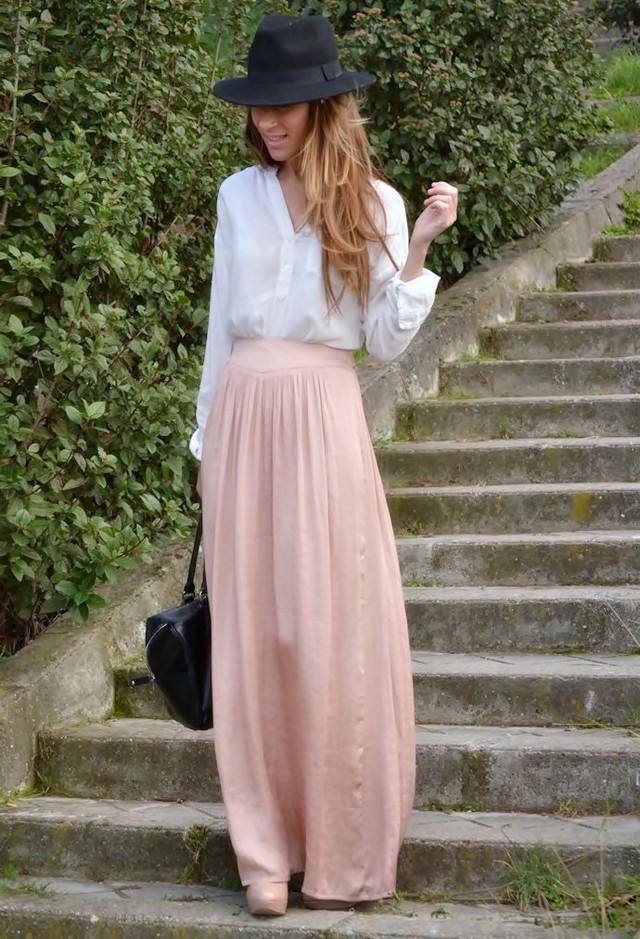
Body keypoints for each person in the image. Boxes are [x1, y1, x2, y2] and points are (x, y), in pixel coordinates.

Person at [190, 12, 457, 918]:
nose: (268, 121)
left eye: (285, 105)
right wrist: (204, 446)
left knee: (330, 631)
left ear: (324, 105)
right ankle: (264, 855)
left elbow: (382, 340)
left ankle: (340, 851)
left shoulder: (374, 202)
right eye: (258, 105)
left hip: (327, 417)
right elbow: (219, 328)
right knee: (252, 642)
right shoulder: (237, 196)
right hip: (244, 417)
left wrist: (419, 246)